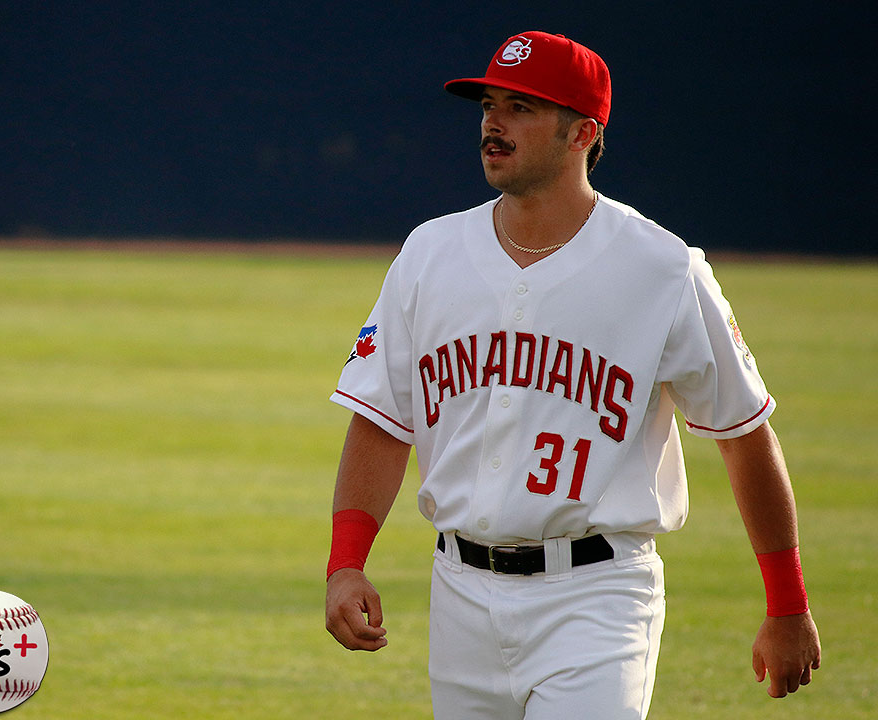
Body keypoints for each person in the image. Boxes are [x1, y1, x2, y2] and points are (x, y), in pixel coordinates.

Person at [323, 30, 821, 719]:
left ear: (583, 131)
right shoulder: (428, 254)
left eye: (523, 107)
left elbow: (742, 432)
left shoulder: (662, 268)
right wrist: (346, 562)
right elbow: (382, 420)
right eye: (490, 104)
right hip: (459, 594)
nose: (494, 122)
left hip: (597, 596)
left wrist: (788, 605)